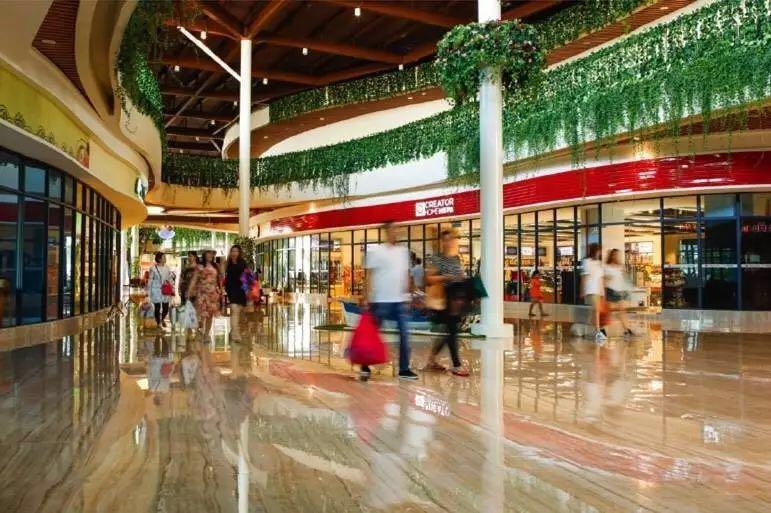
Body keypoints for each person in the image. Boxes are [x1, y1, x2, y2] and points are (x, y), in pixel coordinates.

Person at [361, 221, 417, 381]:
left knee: (405, 334)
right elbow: (369, 275)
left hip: (399, 301)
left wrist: (408, 296)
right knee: (372, 334)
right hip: (380, 301)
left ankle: (404, 369)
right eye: (393, 229)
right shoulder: (377, 251)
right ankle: (365, 364)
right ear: (385, 231)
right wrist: (366, 297)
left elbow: (406, 275)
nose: (396, 232)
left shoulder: (403, 252)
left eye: (397, 229)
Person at [424, 229, 470, 377]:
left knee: (449, 332)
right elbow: (429, 278)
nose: (449, 242)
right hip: (444, 298)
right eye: (446, 239)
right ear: (441, 241)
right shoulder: (437, 258)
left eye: (451, 239)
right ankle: (456, 365)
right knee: (451, 332)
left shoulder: (456, 258)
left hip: (456, 299)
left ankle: (431, 360)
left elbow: (459, 276)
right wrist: (445, 277)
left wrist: (461, 278)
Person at [189, 249, 221, 342]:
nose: (210, 255)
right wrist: (190, 290)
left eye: (212, 253)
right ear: (204, 254)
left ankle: (206, 334)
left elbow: (218, 279)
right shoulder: (199, 266)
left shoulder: (216, 266)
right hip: (202, 293)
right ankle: (200, 332)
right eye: (208, 253)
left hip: (212, 293)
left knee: (210, 315)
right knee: (202, 314)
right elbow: (194, 279)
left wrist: (220, 290)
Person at [604, 249, 635, 337]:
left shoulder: (620, 266)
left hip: (619, 291)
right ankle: (602, 329)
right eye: (616, 255)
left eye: (618, 255)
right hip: (610, 290)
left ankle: (626, 329)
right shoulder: (607, 267)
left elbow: (624, 278)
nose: (617, 257)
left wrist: (629, 287)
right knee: (608, 311)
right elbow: (604, 279)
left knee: (622, 310)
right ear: (612, 256)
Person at [581, 243, 607, 342]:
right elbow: (584, 276)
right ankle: (598, 331)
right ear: (596, 251)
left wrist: (603, 292)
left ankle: (586, 330)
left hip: (598, 290)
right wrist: (583, 290)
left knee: (594, 311)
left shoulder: (599, 263)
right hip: (591, 290)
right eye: (599, 250)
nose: (600, 252)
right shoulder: (587, 262)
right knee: (596, 310)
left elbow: (601, 278)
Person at [224, 244, 249, 343]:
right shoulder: (228, 264)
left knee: (239, 313)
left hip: (241, 290)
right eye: (233, 251)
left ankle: (234, 331)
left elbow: (247, 277)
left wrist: (248, 291)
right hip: (232, 290)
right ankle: (235, 334)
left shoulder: (243, 263)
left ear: (239, 253)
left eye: (236, 251)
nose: (234, 253)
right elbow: (225, 277)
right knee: (234, 310)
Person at [146, 251, 173, 327]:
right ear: (159, 259)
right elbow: (150, 280)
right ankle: (158, 322)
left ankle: (162, 318)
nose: (165, 259)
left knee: (166, 308)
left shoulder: (167, 268)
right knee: (157, 307)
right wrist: (148, 292)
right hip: (156, 290)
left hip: (165, 289)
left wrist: (172, 287)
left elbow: (169, 278)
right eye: (164, 257)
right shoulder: (153, 268)